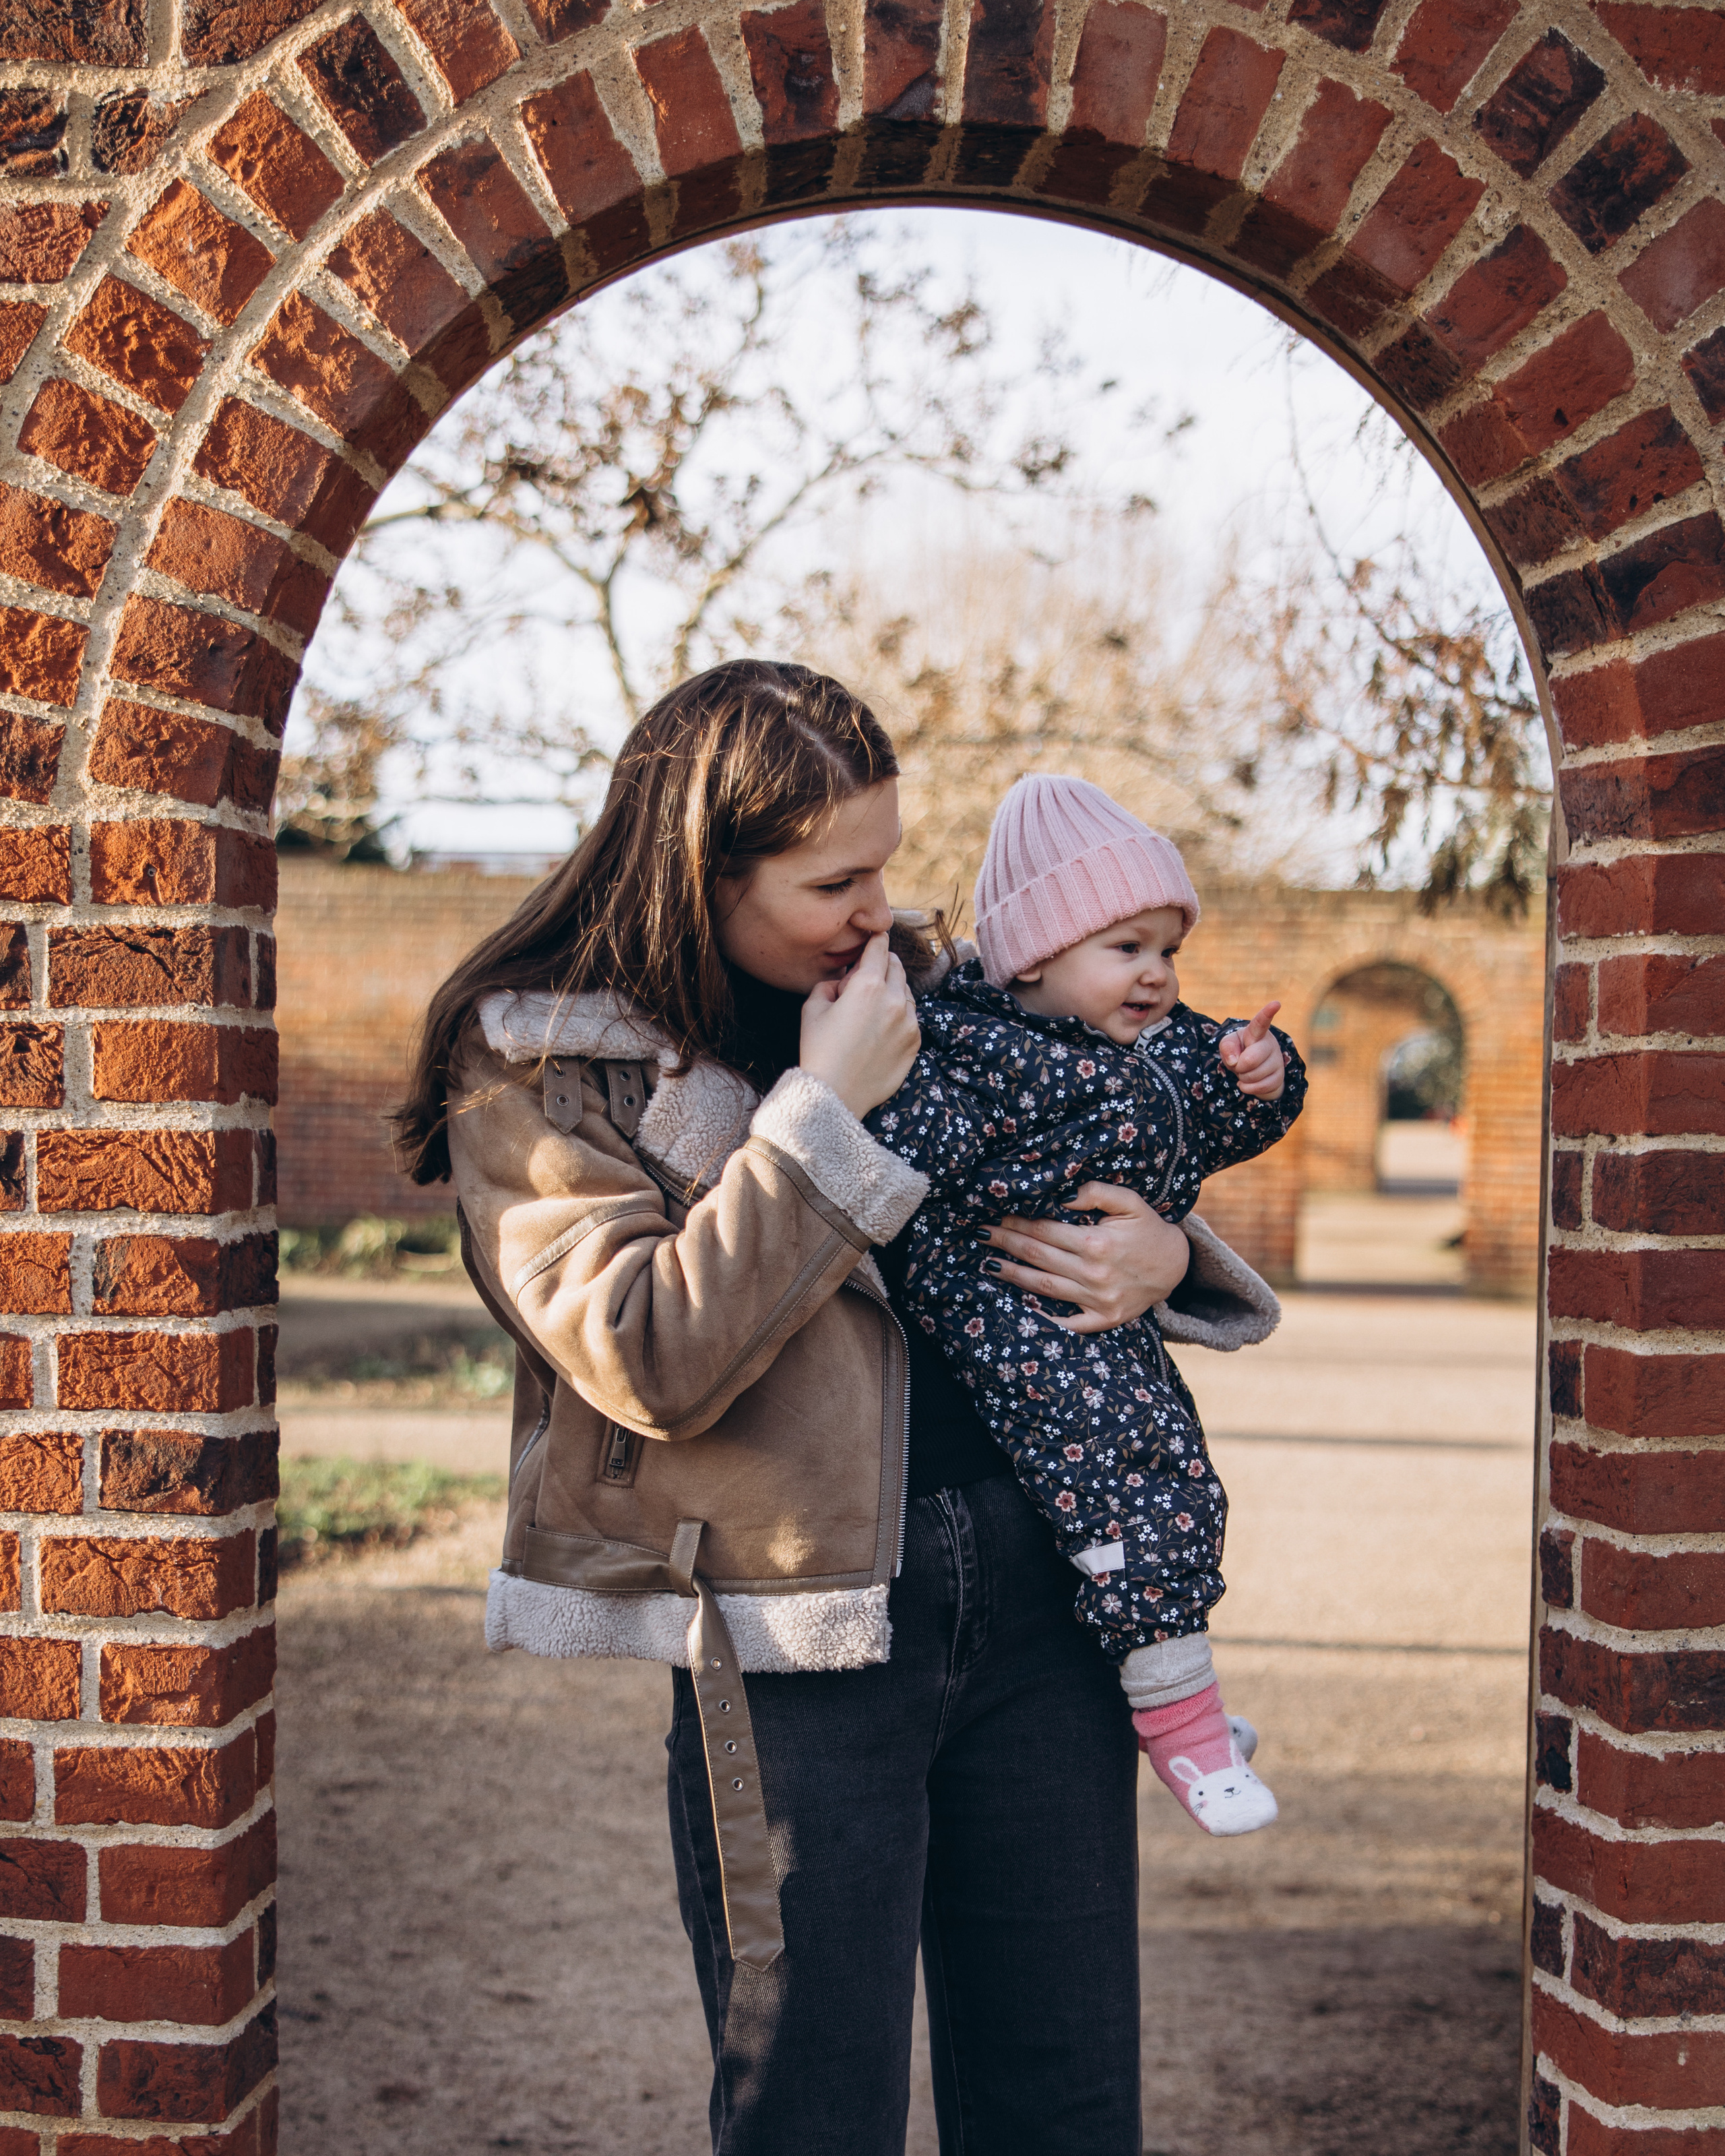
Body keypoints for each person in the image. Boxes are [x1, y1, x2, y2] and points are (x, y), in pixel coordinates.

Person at [393, 660, 1266, 2156]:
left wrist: (1168, 1252)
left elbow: (1094, 1133)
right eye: (832, 878)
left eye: (887, 863)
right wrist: (823, 1112)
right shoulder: (536, 1057)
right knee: (814, 2102)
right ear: (702, 869)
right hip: (795, 1632)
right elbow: (641, 1351)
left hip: (1046, 1589)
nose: (883, 911)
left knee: (1063, 2096)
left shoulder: (920, 989)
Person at [865, 774, 1308, 1839]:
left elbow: (1220, 1116)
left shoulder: (1150, 1044)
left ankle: (1175, 1700)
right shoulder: (973, 1053)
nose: (1157, 974)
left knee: (1178, 1483)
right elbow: (889, 1171)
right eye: (1127, 948)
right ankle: (1192, 1747)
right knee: (1132, 1493)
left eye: (1169, 948)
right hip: (1022, 1319)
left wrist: (1266, 1075)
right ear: (1034, 957)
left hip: (1097, 1320)